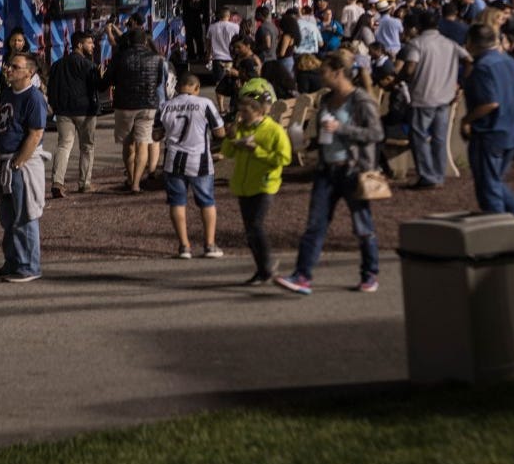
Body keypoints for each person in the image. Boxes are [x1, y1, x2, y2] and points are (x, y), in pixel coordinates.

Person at [276, 49, 384, 295]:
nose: (320, 75)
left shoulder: (360, 100)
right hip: (327, 169)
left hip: (353, 170)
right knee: (315, 224)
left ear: (338, 72)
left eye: (324, 71)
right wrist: (307, 143)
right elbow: (326, 134)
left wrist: (342, 128)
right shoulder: (325, 99)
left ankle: (370, 273)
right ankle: (302, 276)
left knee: (362, 225)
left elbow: (376, 134)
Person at [461, 25, 514, 217]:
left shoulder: (483, 67)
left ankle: (509, 223)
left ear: (471, 43)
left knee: (489, 186)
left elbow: (489, 103)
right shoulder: (509, 62)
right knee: (495, 181)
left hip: (490, 132)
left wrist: (466, 120)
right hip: (511, 131)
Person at [0, 51, 49, 283]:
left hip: (20, 163)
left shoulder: (34, 98)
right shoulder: (8, 94)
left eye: (15, 67)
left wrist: (18, 161)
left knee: (25, 215)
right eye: (8, 66)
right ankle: (12, 262)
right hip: (5, 161)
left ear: (29, 72)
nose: (8, 70)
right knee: (8, 217)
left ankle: (29, 266)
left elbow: (35, 133)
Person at [220, 95, 292, 286]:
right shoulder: (242, 128)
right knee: (250, 230)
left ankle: (267, 266)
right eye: (240, 112)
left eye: (246, 112)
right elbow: (228, 153)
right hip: (244, 185)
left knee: (255, 226)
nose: (241, 116)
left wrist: (256, 150)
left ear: (259, 112)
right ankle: (262, 269)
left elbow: (284, 158)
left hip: (264, 184)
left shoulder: (273, 130)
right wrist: (230, 137)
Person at [397, 10, 470, 189]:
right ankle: (438, 173)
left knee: (419, 137)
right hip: (445, 97)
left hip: (423, 97)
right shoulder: (449, 43)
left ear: (419, 25)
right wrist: (460, 83)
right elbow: (469, 59)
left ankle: (427, 175)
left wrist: (401, 76)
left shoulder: (417, 44)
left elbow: (410, 69)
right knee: (439, 138)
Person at [159, 73, 226, 259]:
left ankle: (184, 246)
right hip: (199, 160)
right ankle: (210, 245)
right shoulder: (204, 104)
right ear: (196, 88)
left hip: (173, 161)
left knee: (177, 202)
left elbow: (156, 135)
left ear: (178, 87)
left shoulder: (165, 106)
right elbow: (220, 132)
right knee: (206, 201)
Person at [105, 29, 168, 194]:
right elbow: (159, 81)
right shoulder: (157, 59)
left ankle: (130, 178)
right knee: (143, 143)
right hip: (148, 105)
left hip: (124, 105)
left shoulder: (120, 57)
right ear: (145, 42)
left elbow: (108, 80)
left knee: (128, 144)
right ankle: (137, 184)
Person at [48, 30, 104, 198]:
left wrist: (55, 106)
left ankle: (57, 182)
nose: (93, 46)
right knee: (87, 147)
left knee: (64, 145)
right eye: (90, 42)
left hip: (64, 112)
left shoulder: (57, 64)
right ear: (79, 45)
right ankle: (84, 183)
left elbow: (51, 88)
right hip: (86, 112)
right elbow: (98, 87)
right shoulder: (88, 65)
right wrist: (100, 76)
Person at [207, 8, 240, 74]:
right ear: (229, 16)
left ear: (219, 16)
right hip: (231, 58)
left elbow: (209, 44)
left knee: (219, 82)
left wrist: (209, 56)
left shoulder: (212, 27)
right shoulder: (236, 27)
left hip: (217, 58)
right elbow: (239, 42)